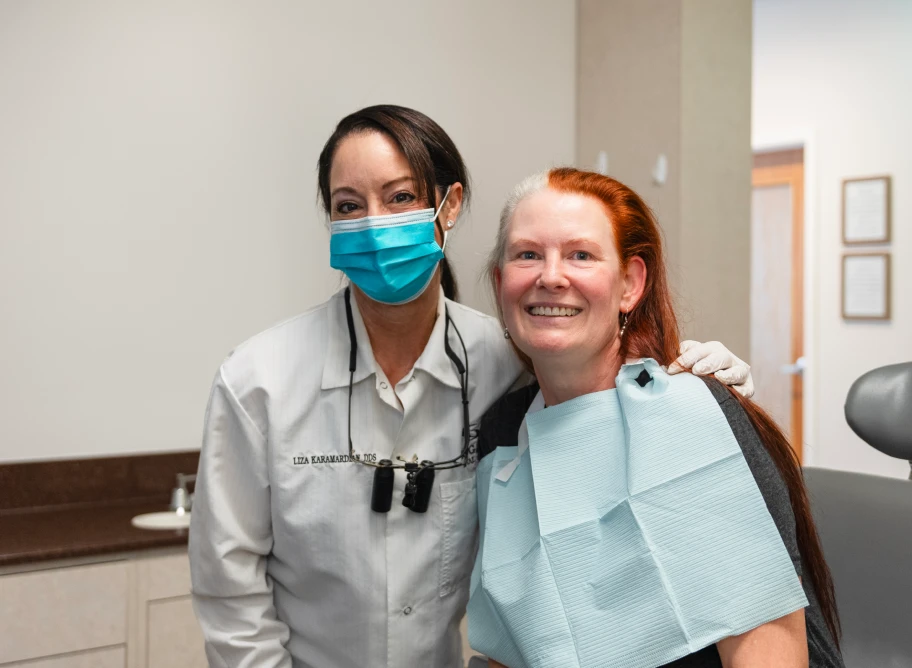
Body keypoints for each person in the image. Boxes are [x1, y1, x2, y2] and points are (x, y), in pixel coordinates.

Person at [188, 105, 756, 668]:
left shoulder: (502, 361)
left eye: (401, 197)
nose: (374, 223)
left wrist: (687, 372)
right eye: (349, 206)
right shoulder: (257, 381)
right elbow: (230, 592)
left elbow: (594, 387)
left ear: (449, 204)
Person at [472, 168, 844, 668]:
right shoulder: (502, 435)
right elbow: (512, 642)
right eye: (527, 254)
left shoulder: (693, 416)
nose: (551, 276)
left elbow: (766, 645)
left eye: (580, 254)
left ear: (630, 284)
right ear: (501, 283)